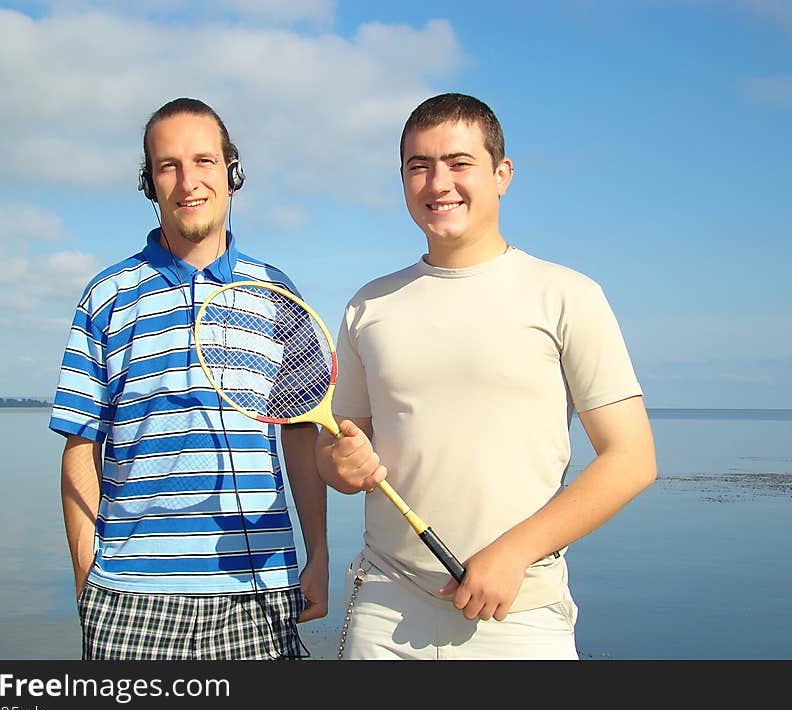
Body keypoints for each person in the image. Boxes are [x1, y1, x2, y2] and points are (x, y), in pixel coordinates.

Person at [315, 92, 657, 660]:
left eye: (458, 163)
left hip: (522, 613)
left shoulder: (567, 295)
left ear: (502, 174)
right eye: (418, 167)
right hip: (385, 606)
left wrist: (515, 552)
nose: (437, 183)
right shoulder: (368, 305)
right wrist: (340, 463)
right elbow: (338, 445)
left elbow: (632, 458)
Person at [50, 98, 328, 660]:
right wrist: (88, 579)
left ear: (232, 172)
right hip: (130, 599)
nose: (187, 181)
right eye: (167, 165)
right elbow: (81, 445)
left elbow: (301, 432)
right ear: (150, 183)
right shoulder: (107, 294)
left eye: (204, 161)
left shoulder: (276, 291)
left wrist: (318, 551)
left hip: (260, 592)